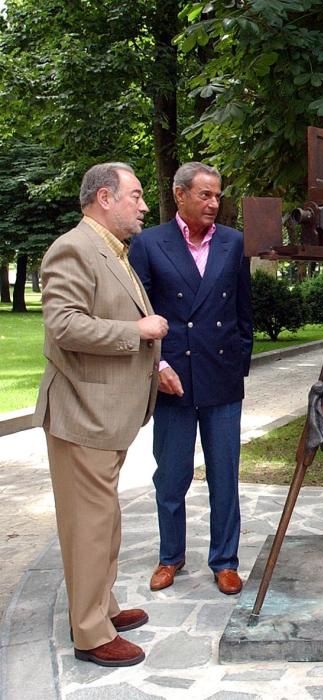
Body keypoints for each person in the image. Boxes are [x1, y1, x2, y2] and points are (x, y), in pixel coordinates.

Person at [35, 162, 167, 666]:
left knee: (104, 520)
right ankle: (90, 633)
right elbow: (64, 326)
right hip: (82, 413)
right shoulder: (74, 247)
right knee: (89, 524)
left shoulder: (111, 251)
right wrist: (136, 332)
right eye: (135, 195)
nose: (143, 205)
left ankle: (99, 606)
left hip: (102, 416)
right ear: (105, 198)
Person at [129, 162, 253, 595]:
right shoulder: (147, 244)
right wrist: (157, 367)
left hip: (221, 379)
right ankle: (170, 557)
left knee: (225, 474)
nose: (214, 203)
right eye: (205, 195)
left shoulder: (234, 244)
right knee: (172, 475)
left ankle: (225, 560)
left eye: (218, 195)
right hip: (172, 380)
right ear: (180, 194)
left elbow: (243, 313)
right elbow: (138, 312)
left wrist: (240, 363)